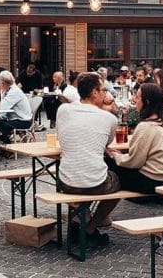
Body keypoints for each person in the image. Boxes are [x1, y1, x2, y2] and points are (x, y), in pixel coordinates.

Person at [56, 72, 120, 246]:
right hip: (96, 183)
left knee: (80, 176)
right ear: (93, 92)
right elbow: (107, 143)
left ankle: (79, 219)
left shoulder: (63, 110)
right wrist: (107, 110)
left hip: (65, 181)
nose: (105, 94)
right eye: (102, 90)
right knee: (117, 183)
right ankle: (90, 228)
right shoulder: (109, 118)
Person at [106, 83, 163, 193]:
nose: (134, 100)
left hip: (148, 181)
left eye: (137, 97)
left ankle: (84, 196)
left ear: (146, 102)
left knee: (106, 162)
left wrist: (115, 156)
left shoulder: (145, 127)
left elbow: (135, 162)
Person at [0, 71, 33, 143]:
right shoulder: (7, 91)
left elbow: (2, 107)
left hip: (23, 121)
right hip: (15, 119)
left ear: (2, 83)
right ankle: (3, 147)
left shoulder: (14, 92)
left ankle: (8, 148)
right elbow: (2, 112)